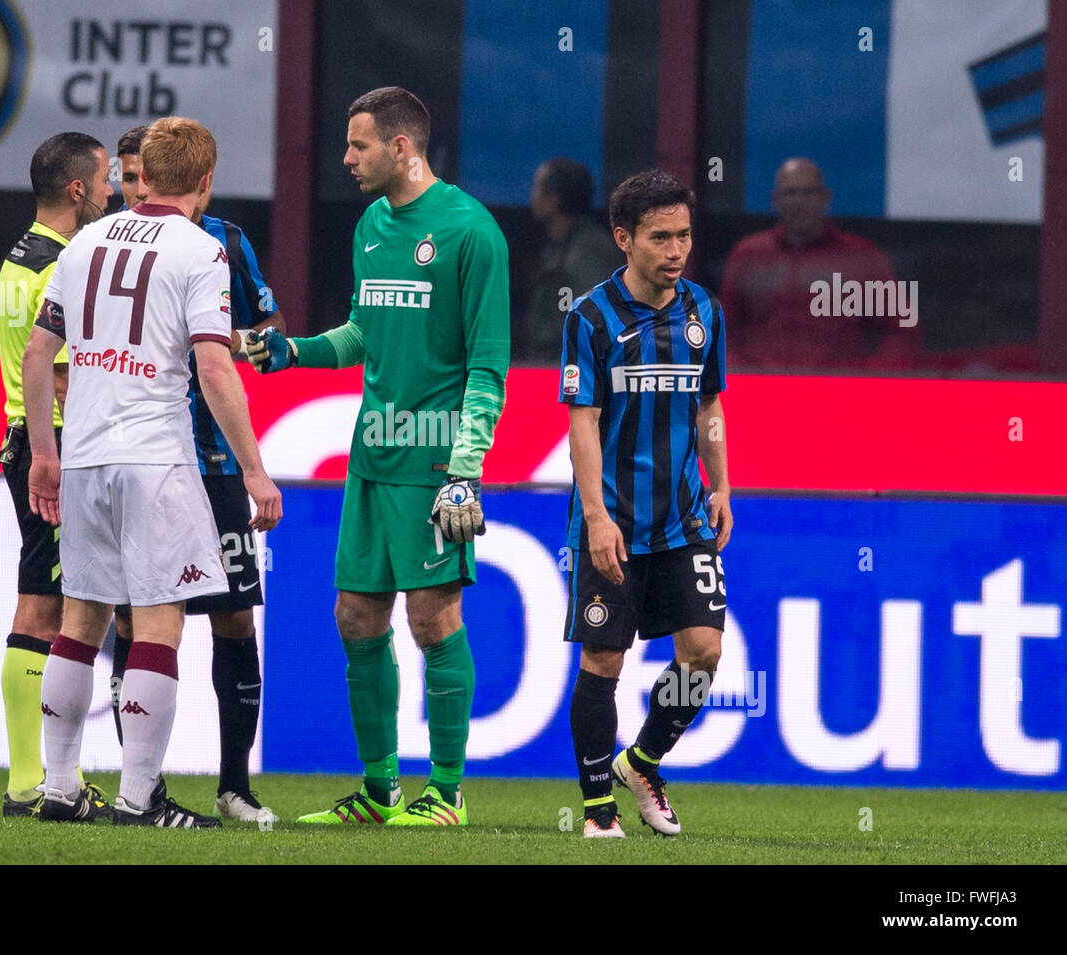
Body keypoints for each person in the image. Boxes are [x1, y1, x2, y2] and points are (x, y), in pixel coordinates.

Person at [247, 86, 509, 826]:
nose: (346, 158)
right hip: (372, 455)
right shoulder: (369, 224)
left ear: (402, 147)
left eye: (358, 145)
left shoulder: (470, 231)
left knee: (432, 619)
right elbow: (364, 331)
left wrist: (465, 471)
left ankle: (448, 794)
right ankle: (378, 790)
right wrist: (295, 351)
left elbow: (488, 367)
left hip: (433, 465)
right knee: (356, 615)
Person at [22, 116, 282, 828]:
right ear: (203, 181)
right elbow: (213, 365)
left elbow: (39, 356)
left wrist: (44, 454)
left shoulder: (84, 243)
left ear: (144, 173)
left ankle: (59, 784)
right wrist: (255, 469)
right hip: (154, 458)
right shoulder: (201, 252)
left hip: (84, 456)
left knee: (81, 622)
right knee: (159, 627)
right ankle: (139, 797)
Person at [106, 123, 288, 825]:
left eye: (139, 175)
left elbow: (269, 332)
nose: (133, 189)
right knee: (134, 619)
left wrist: (220, 339)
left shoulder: (226, 243)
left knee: (235, 617)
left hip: (211, 463)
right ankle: (139, 786)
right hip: (143, 457)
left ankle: (234, 785)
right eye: (124, 178)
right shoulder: (109, 242)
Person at [560, 169, 732, 839]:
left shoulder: (704, 313)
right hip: (615, 522)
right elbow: (582, 420)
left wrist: (722, 484)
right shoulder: (592, 317)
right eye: (661, 237)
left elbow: (710, 403)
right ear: (623, 238)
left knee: (705, 652)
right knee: (603, 660)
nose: (676, 250)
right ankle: (598, 808)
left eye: (684, 235)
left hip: (685, 517)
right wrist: (597, 518)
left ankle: (645, 760)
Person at [0, 131, 114, 818]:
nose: (110, 192)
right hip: (54, 449)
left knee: (44, 597)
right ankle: (29, 782)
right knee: (44, 604)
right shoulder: (62, 267)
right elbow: (65, 376)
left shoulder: (21, 255)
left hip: (26, 441)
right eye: (103, 181)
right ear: (77, 190)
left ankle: (33, 777)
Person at [719, 157, 916, 370]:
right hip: (759, 388)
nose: (800, 201)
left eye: (808, 192)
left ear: (825, 198)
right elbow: (723, 330)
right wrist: (737, 375)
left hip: (837, 391)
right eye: (791, 193)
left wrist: (868, 379)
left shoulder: (860, 256)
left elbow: (902, 331)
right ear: (775, 199)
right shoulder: (749, 254)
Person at [517, 158, 624, 364]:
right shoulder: (558, 247)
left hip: (573, 374)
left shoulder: (589, 250)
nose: (532, 195)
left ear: (554, 199)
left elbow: (594, 322)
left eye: (537, 188)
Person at [114, 125, 149, 212]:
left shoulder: (186, 225)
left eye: (150, 179)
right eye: (130, 179)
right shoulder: (103, 225)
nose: (141, 192)